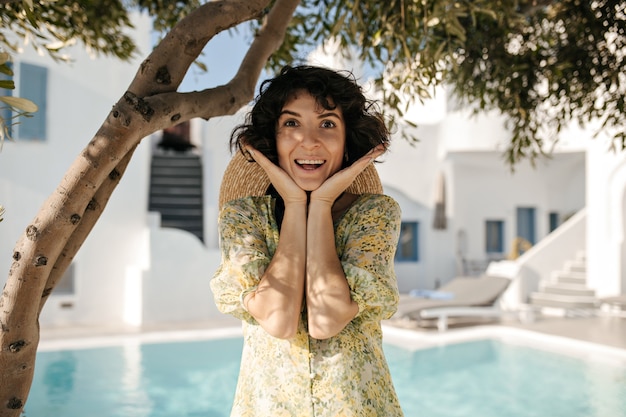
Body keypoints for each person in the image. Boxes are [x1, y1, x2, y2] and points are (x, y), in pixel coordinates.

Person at [210, 65, 404, 417]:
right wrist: (298, 205)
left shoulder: (374, 215)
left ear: (347, 142)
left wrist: (323, 204)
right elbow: (278, 320)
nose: (310, 140)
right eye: (291, 123)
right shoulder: (244, 219)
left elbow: (326, 319)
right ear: (273, 137)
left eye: (328, 123)